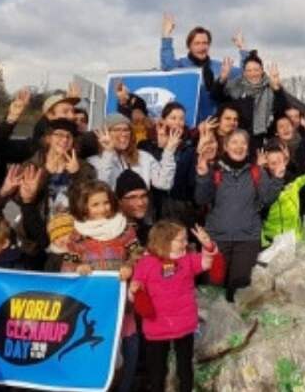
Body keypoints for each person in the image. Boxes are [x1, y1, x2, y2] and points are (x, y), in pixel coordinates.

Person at [62, 180, 140, 392]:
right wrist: (78, 269)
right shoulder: (77, 236)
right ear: (84, 206)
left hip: (123, 304)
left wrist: (130, 266)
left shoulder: (125, 228)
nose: (103, 208)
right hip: (93, 309)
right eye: (95, 204)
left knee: (131, 346)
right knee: (98, 351)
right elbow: (66, 266)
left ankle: (125, 387)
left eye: (106, 203)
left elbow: (138, 254)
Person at [131, 221, 222, 392]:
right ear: (164, 242)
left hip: (184, 325)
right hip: (157, 325)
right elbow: (136, 290)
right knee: (157, 371)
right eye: (181, 240)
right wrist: (136, 291)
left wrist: (208, 245)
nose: (186, 243)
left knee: (185, 368)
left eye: (185, 239)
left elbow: (208, 263)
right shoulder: (146, 263)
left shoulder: (187, 260)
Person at [194, 129, 282, 301]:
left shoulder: (256, 172)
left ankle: (236, 326)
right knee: (212, 289)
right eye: (234, 142)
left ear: (248, 148)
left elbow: (267, 199)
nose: (239, 147)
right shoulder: (215, 170)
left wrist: (277, 180)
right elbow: (201, 199)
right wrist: (203, 176)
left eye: (243, 143)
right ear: (225, 146)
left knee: (240, 291)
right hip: (217, 240)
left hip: (247, 241)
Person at [158, 14, 246, 122]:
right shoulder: (181, 66)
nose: (202, 47)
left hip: (215, 123)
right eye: (197, 43)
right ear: (189, 46)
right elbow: (167, 65)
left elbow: (245, 74)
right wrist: (166, 35)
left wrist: (242, 48)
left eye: (205, 43)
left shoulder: (220, 67)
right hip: (191, 123)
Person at [90, 113, 177, 199]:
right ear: (106, 133)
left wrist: (169, 151)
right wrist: (108, 153)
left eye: (126, 129)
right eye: (117, 129)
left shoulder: (144, 157)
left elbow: (164, 184)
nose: (123, 134)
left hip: (139, 209)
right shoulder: (94, 161)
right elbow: (100, 189)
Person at [140, 102, 198, 230]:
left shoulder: (189, 149)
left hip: (179, 211)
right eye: (173, 118)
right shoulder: (147, 145)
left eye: (181, 119)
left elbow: (190, 184)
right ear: (163, 120)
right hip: (153, 210)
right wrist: (161, 148)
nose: (178, 122)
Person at [213, 50, 287, 149]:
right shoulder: (236, 85)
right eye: (249, 70)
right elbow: (216, 96)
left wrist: (277, 89)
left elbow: (281, 110)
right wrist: (223, 78)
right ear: (244, 72)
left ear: (262, 70)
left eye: (256, 70)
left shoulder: (270, 87)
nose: (253, 74)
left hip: (259, 141)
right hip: (236, 139)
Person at [261, 149, 305, 244]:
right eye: (273, 163)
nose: (278, 166)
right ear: (267, 166)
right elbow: (264, 203)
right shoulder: (264, 187)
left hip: (296, 239)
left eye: (280, 161)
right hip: (274, 243)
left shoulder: (291, 179)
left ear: (285, 161)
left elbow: (298, 182)